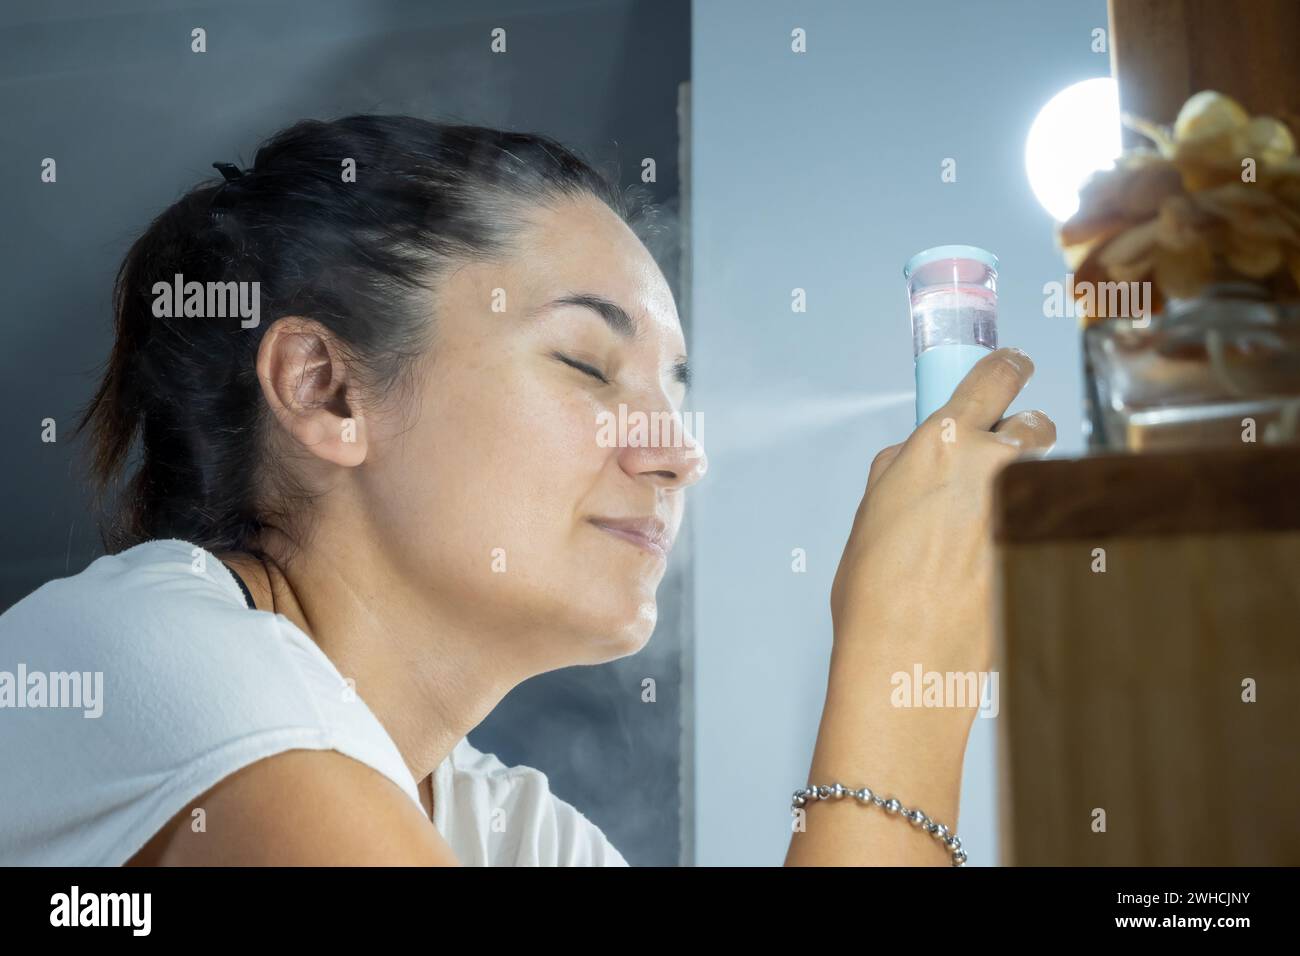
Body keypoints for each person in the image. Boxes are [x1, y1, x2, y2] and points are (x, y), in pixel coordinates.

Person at [0, 115, 1053, 866]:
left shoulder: (509, 830)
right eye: (587, 364)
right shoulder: (139, 660)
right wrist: (901, 668)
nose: (677, 452)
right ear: (328, 391)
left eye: (674, 393)